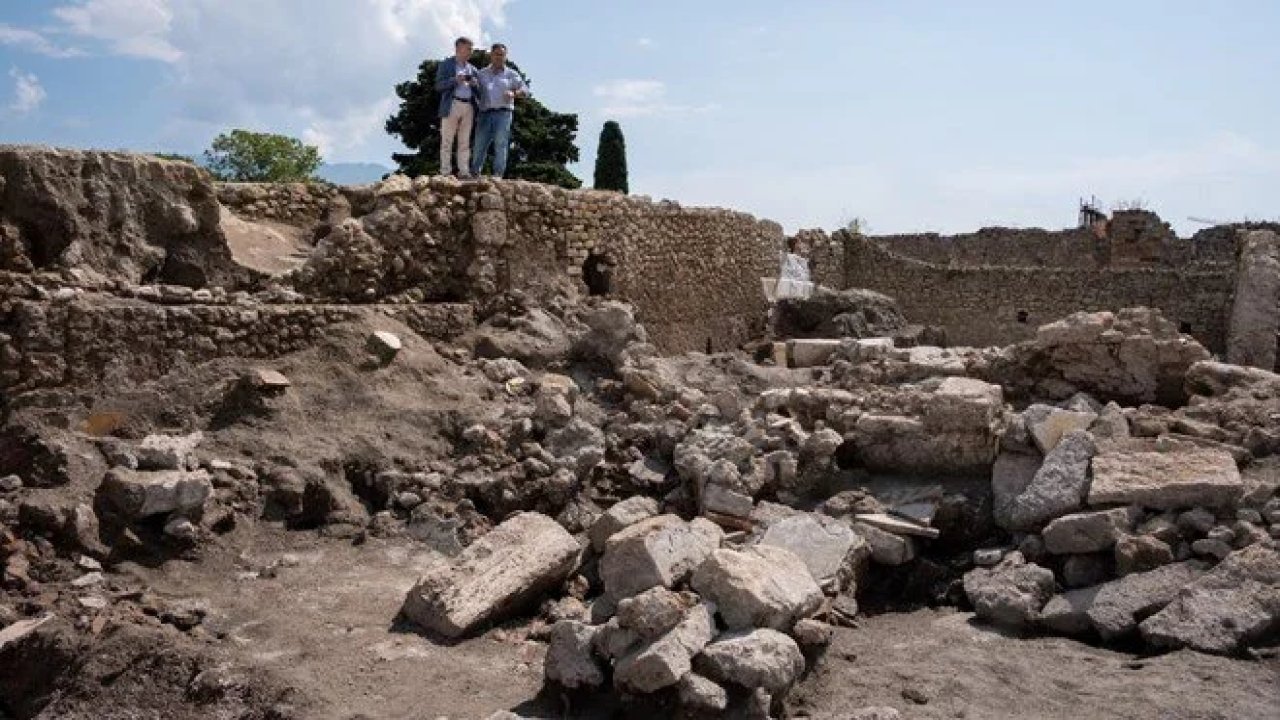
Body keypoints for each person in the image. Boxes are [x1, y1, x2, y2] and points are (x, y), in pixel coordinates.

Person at [470, 43, 529, 178]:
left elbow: (525, 90)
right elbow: (473, 90)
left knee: (501, 144)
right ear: (491, 55)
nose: (499, 57)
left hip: (504, 113)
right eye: (496, 54)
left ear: (505, 56)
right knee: (479, 144)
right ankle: (474, 173)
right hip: (484, 113)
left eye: (502, 55)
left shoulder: (511, 74)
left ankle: (497, 174)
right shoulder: (481, 73)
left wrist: (514, 93)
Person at [435, 37, 478, 177]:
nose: (471, 51)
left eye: (471, 48)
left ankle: (464, 171)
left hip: (468, 106)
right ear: (458, 48)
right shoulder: (446, 65)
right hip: (451, 104)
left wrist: (474, 84)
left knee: (465, 141)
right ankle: (445, 172)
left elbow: (479, 90)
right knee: (447, 140)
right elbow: (438, 86)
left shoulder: (473, 69)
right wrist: (455, 80)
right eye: (469, 48)